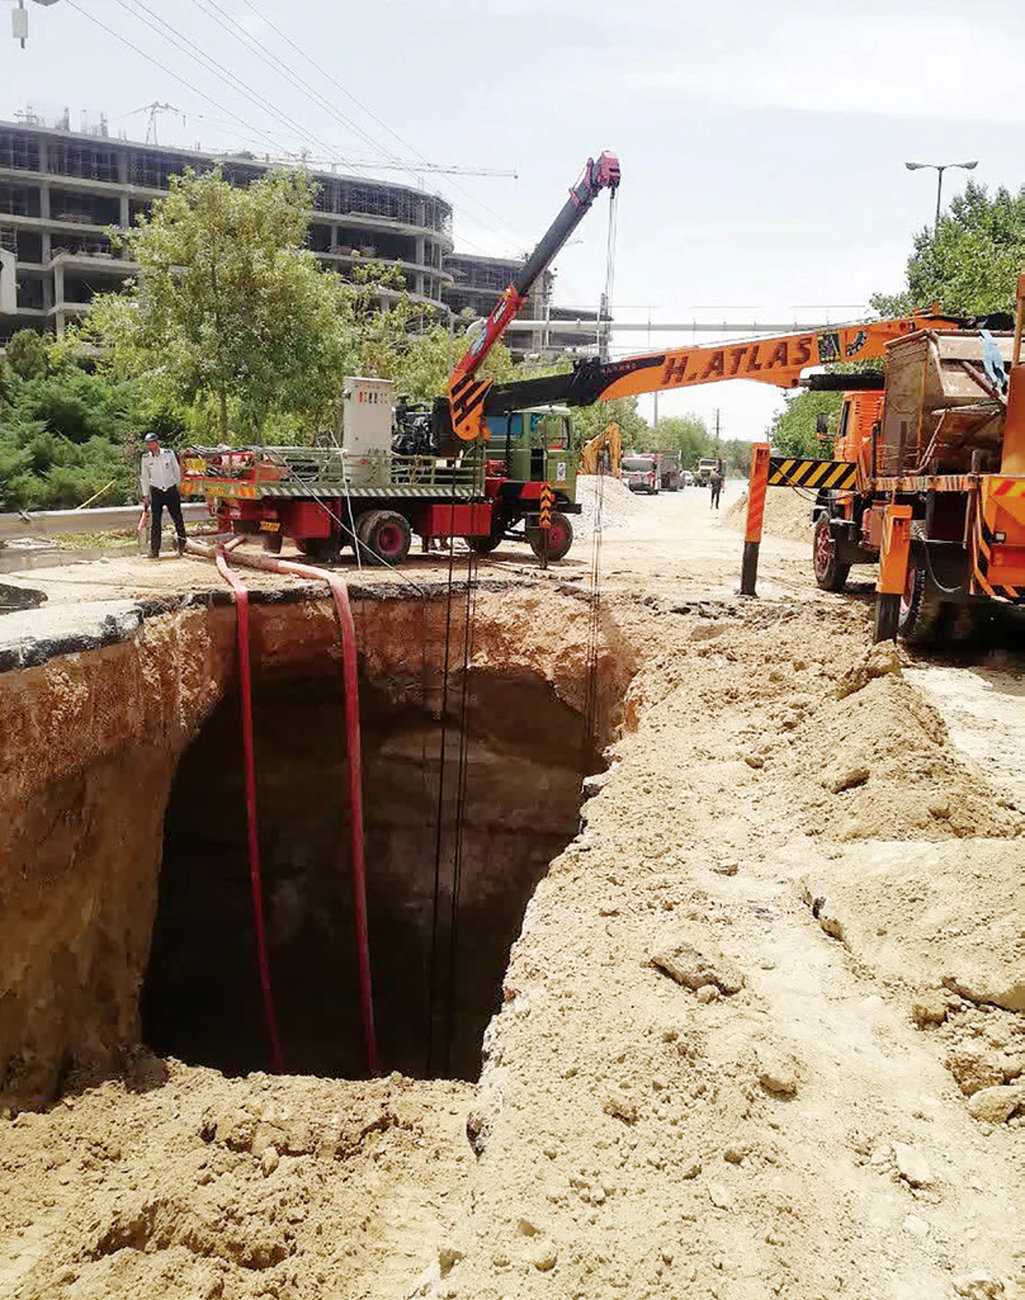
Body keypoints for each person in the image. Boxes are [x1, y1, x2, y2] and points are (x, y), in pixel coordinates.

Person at [140, 432, 186, 558]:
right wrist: (145, 495)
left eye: (152, 443)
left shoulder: (169, 454)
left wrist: (180, 487)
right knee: (156, 522)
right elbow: (144, 477)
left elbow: (176, 471)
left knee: (178, 519)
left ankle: (182, 546)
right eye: (148, 443)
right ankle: (155, 551)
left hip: (171, 490)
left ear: (157, 442)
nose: (151, 445)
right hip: (156, 491)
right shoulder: (145, 458)